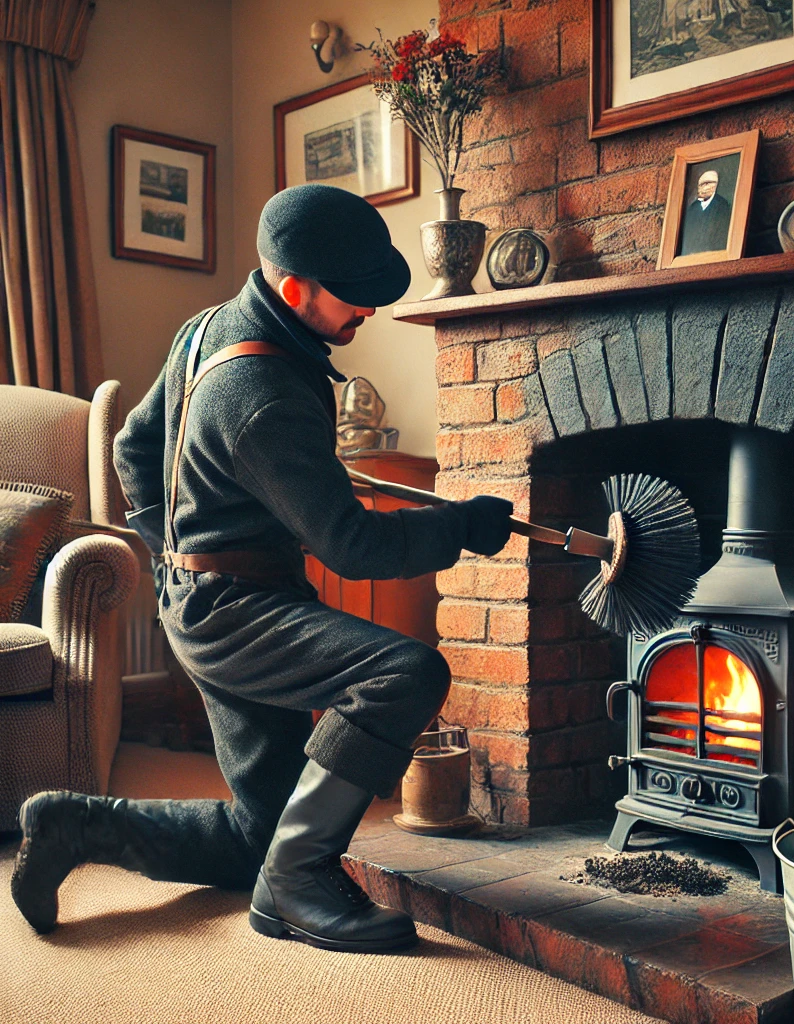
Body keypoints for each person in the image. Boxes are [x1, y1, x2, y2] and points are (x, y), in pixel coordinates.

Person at [10, 184, 515, 954]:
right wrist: (461, 526)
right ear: (293, 289)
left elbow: (133, 447)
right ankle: (300, 881)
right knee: (406, 672)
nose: (367, 313)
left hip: (208, 598)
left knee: (265, 834)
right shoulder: (263, 391)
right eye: (354, 299)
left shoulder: (207, 327)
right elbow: (352, 547)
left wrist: (172, 544)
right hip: (235, 610)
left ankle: (77, 824)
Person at [680, 168, 732, 255]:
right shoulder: (692, 208)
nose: (701, 188)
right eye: (700, 185)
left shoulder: (722, 206)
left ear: (715, 185)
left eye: (706, 184)